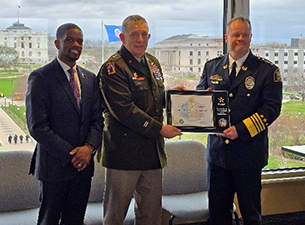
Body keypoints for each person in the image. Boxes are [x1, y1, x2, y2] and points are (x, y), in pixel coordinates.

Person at [196, 16, 282, 225]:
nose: (240, 38)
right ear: (227, 37)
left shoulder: (267, 71)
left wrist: (241, 130)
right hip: (218, 156)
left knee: (251, 214)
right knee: (217, 214)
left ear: (251, 37)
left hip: (248, 154)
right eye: (236, 34)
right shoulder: (212, 67)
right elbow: (199, 100)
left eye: (245, 34)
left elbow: (271, 109)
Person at [98, 15, 182, 225]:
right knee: (114, 216)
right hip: (123, 154)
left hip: (151, 153)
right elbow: (125, 110)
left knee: (150, 216)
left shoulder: (152, 62)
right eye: (134, 34)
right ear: (122, 37)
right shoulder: (113, 68)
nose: (140, 39)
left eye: (144, 34)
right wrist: (160, 129)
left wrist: (173, 97)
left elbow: (152, 99)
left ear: (149, 36)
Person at [26, 23, 104, 225]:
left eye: (80, 41)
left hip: (83, 168)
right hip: (54, 167)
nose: (76, 44)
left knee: (75, 220)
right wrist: (73, 155)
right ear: (57, 43)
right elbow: (37, 126)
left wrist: (88, 149)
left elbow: (98, 120)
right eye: (70, 39)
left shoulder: (90, 78)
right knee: (49, 221)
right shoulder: (41, 77)